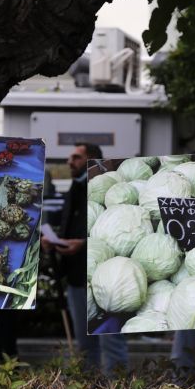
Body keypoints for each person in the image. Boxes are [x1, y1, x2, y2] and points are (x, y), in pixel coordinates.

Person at [43, 144, 128, 373]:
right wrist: (55, 240)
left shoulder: (107, 188)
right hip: (77, 279)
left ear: (91, 159)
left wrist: (81, 244)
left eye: (76, 157)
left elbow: (115, 233)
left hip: (103, 281)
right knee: (84, 346)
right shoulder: (75, 187)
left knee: (111, 344)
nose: (70, 161)